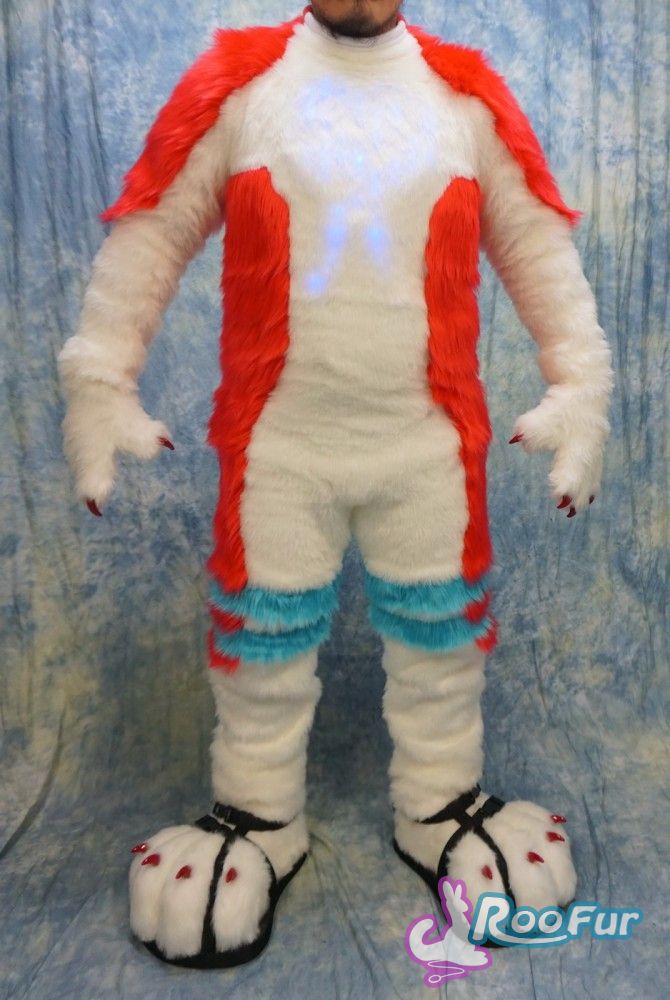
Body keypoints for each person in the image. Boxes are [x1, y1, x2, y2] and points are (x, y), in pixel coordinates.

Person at [57, 0, 614, 968]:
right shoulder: (239, 89)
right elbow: (152, 228)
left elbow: (536, 243)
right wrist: (99, 379)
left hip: (427, 444)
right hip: (278, 447)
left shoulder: (465, 100)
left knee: (442, 636)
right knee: (261, 636)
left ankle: (440, 805)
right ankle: (256, 816)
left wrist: (580, 385)